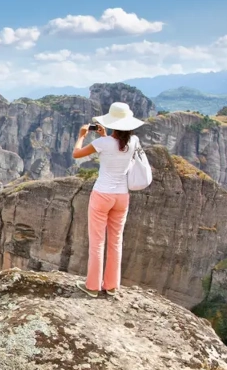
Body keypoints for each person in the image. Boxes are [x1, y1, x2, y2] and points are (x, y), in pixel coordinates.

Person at [71, 102, 146, 298]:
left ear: (112, 122)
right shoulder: (135, 141)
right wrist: (104, 136)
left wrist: (81, 136)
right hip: (122, 197)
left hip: (102, 195)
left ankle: (93, 287)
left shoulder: (103, 144)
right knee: (116, 241)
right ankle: (111, 286)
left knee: (97, 242)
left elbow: (76, 154)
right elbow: (118, 149)